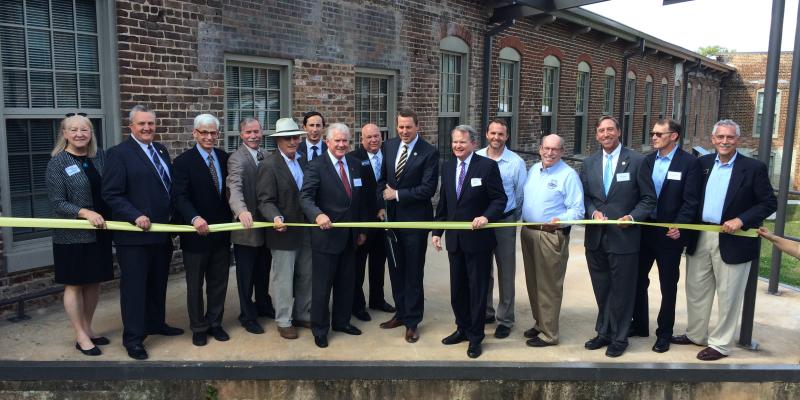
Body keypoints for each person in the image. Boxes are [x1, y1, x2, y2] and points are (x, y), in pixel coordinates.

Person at [672, 119, 777, 361]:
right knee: (696, 290)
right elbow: (691, 199)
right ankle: (696, 333)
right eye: (720, 137)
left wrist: (741, 219)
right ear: (713, 139)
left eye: (729, 137)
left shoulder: (753, 168)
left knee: (728, 295)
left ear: (737, 140)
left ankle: (720, 344)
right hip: (701, 236)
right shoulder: (703, 164)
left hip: (734, 239)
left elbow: (769, 203)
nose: (724, 141)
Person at [102, 105, 184, 360]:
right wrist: (134, 214)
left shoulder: (160, 149)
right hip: (134, 237)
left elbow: (165, 186)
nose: (147, 128)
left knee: (158, 283)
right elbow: (111, 193)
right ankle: (134, 338)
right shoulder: (118, 154)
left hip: (161, 233)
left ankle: (155, 322)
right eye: (142, 124)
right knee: (135, 288)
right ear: (131, 127)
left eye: (150, 124)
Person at [579, 116, 656, 358]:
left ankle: (620, 337)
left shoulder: (637, 161)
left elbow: (648, 199)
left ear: (619, 132)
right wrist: (592, 212)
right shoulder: (588, 163)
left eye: (610, 129)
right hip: (596, 238)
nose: (606, 134)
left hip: (624, 239)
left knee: (622, 291)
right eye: (601, 130)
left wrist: (632, 218)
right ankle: (604, 332)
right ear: (596, 135)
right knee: (602, 289)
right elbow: (586, 198)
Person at [432, 125, 506, 359]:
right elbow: (444, 203)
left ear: (473, 144)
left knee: (477, 291)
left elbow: (499, 199)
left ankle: (475, 337)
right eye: (454, 142)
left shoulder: (487, 167)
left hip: (478, 241)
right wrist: (437, 231)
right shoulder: (448, 165)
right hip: (455, 241)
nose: (457, 146)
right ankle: (462, 328)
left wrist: (486, 216)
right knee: (458, 290)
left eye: (462, 142)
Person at [46, 114, 113, 356]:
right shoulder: (58, 163)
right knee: (74, 284)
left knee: (94, 281)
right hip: (72, 234)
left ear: (91, 133)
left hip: (100, 232)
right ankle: (80, 335)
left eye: (84, 129)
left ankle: (88, 328)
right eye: (73, 130)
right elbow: (57, 203)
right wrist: (84, 212)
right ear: (64, 134)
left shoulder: (101, 157)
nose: (79, 134)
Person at [630, 119, 700, 353]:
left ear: (674, 136)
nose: (654, 137)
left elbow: (691, 201)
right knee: (638, 280)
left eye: (660, 133)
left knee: (668, 285)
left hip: (670, 234)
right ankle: (639, 325)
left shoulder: (689, 163)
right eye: (653, 133)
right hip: (645, 229)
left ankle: (664, 333)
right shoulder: (647, 161)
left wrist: (680, 225)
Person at [300, 123, 368, 348]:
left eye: (345, 141)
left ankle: (342, 322)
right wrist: (317, 215)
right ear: (327, 142)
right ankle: (320, 329)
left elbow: (358, 203)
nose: (341, 144)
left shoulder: (356, 165)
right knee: (322, 287)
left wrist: (360, 231)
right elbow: (306, 198)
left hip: (350, 238)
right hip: (325, 238)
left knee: (346, 283)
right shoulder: (316, 166)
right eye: (337, 140)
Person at [377, 109, 439, 344]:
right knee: (395, 268)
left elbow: (428, 189)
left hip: (415, 221)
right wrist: (381, 204)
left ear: (417, 126)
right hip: (391, 220)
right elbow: (381, 179)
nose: (404, 131)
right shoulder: (389, 146)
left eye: (408, 127)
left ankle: (412, 322)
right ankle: (401, 313)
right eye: (400, 127)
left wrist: (397, 194)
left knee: (413, 272)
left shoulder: (429, 152)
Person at [173, 113, 232, 347]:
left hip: (221, 233)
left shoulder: (224, 158)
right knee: (195, 285)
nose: (209, 137)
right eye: (204, 132)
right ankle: (198, 326)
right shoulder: (183, 162)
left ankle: (215, 323)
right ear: (195, 134)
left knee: (219, 282)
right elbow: (179, 196)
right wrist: (194, 218)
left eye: (213, 132)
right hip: (195, 235)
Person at [520, 134, 584, 348]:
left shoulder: (568, 175)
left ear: (562, 152)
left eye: (554, 149)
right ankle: (540, 324)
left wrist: (560, 221)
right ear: (540, 149)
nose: (549, 153)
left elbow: (577, 210)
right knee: (533, 283)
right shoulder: (534, 170)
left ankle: (549, 334)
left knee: (549, 286)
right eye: (546, 148)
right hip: (528, 232)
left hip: (549, 235)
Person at [257, 118, 313, 340]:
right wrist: (275, 217)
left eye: (296, 137)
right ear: (278, 140)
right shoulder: (268, 166)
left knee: (306, 276)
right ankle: (283, 320)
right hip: (283, 233)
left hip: (306, 230)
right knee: (283, 279)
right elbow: (264, 200)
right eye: (288, 138)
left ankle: (302, 314)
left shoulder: (305, 161)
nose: (293, 141)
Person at [475, 119, 527, 338]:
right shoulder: (475, 157)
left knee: (506, 270)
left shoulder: (515, 162)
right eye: (493, 133)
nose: (496, 138)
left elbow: (520, 194)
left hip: (504, 221)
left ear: (507, 137)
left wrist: (514, 220)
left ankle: (505, 318)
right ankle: (485, 310)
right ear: (487, 134)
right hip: (480, 223)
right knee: (482, 269)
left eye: (501, 134)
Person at [227, 118, 274, 335]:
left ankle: (263, 304)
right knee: (246, 276)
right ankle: (247, 315)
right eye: (248, 132)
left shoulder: (266, 154)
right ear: (241, 134)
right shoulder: (237, 159)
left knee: (263, 271)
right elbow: (234, 187)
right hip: (247, 228)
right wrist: (241, 210)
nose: (253, 135)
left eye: (256, 131)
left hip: (267, 226)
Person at [349, 123, 395, 322]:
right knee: (358, 267)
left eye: (376, 136)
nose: (373, 140)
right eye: (368, 137)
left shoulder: (390, 156)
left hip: (384, 221)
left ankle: (377, 299)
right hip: (363, 221)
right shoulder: (352, 158)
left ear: (381, 137)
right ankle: (357, 305)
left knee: (379, 263)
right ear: (361, 140)